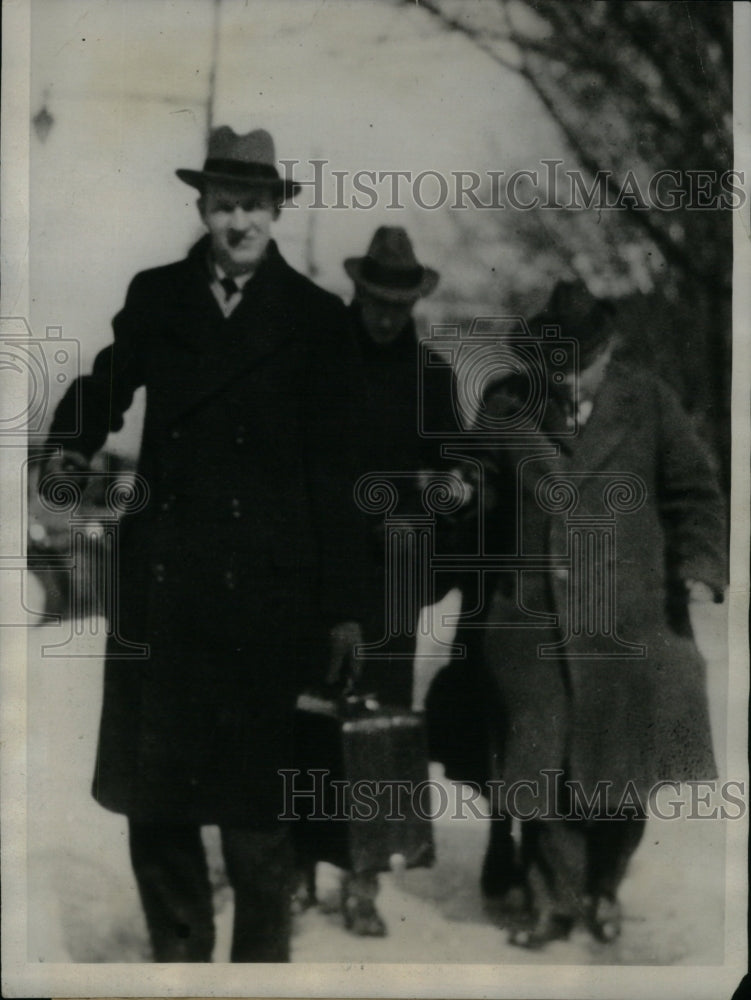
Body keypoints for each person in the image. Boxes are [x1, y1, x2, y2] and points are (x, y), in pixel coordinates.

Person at [41, 126, 366, 963]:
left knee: (259, 821)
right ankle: (178, 971)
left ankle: (259, 976)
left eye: (253, 205)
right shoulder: (158, 294)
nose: (238, 222)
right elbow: (109, 379)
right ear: (202, 207)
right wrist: (73, 440)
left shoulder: (317, 320)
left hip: (269, 601)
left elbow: (336, 476)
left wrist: (340, 609)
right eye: (224, 204)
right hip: (166, 588)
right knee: (159, 809)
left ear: (276, 211)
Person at [459, 279, 726, 948]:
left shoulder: (649, 402)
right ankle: (555, 898)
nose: (570, 379)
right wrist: (459, 490)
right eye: (559, 366)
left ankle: (604, 883)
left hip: (630, 615)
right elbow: (474, 482)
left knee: (623, 768)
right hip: (535, 615)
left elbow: (693, 489)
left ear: (608, 352)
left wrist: (699, 565)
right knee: (545, 760)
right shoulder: (506, 407)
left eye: (584, 364)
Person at [292, 226, 459, 936]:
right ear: (355, 294)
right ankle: (298, 867)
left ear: (414, 301)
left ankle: (362, 880)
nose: (386, 315)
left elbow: (456, 468)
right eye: (375, 300)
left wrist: (442, 496)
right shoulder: (317, 365)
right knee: (308, 717)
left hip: (392, 576)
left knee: (380, 726)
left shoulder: (432, 379)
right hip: (317, 568)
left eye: (400, 303)